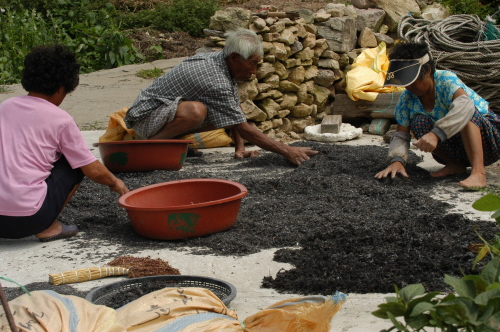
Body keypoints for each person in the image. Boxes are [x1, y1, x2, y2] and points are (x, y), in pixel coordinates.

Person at [124, 29, 318, 165]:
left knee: (223, 111)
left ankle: (173, 144)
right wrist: (287, 150)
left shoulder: (222, 62)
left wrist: (239, 149)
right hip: (146, 117)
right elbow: (245, 128)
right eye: (252, 64)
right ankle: (152, 148)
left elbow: (234, 110)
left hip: (162, 115)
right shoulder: (214, 78)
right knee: (195, 111)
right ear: (234, 58)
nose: (254, 71)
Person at [0, 45, 129, 242]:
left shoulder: (5, 107)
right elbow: (92, 169)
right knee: (74, 162)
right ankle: (49, 226)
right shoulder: (60, 119)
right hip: (30, 219)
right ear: (62, 88)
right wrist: (115, 182)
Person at [375, 41, 500, 188]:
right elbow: (401, 135)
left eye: (413, 81)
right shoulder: (407, 98)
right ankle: (455, 165)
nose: (409, 87)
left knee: (467, 111)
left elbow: (465, 106)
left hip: (490, 142)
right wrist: (397, 161)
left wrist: (436, 134)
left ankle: (479, 173)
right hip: (458, 148)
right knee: (419, 122)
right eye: (405, 82)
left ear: (427, 71)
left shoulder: (446, 79)